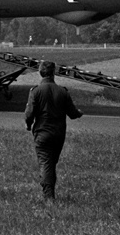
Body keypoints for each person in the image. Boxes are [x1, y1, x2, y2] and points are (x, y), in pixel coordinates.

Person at [24, 60, 83, 201]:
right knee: (51, 164)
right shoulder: (63, 91)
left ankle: (48, 197)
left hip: (42, 134)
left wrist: (28, 125)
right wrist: (80, 113)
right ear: (53, 73)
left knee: (46, 164)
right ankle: (50, 192)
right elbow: (73, 113)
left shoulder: (36, 91)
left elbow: (29, 114)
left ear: (40, 73)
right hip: (58, 135)